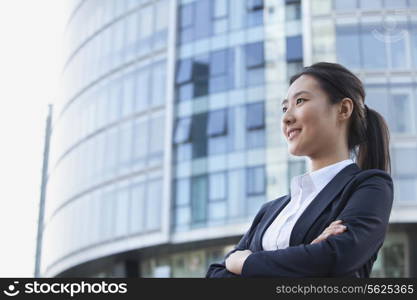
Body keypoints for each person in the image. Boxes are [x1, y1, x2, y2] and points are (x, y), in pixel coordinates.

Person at [205, 62, 393, 278]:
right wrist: (304, 257)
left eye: (300, 101)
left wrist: (245, 261)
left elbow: (335, 258)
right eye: (285, 108)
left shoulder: (370, 186)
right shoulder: (271, 210)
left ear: (343, 109)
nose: (286, 118)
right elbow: (215, 274)